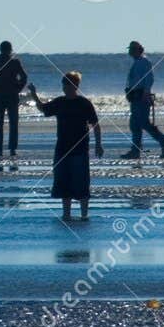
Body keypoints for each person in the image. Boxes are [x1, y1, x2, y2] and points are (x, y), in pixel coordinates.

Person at [30, 71, 102, 220]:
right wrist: (33, 94)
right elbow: (43, 108)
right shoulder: (60, 102)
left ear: (75, 86)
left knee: (82, 182)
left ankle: (84, 214)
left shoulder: (84, 103)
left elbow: (95, 124)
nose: (65, 88)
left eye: (67, 85)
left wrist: (98, 144)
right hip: (62, 147)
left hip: (80, 148)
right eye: (64, 85)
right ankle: (66, 214)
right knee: (63, 182)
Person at [122, 40, 164, 159]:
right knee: (135, 124)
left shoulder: (144, 62)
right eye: (130, 49)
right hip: (135, 97)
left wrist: (145, 92)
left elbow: (149, 79)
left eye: (132, 49)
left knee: (143, 123)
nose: (130, 51)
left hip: (141, 97)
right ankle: (136, 150)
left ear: (138, 50)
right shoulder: (137, 62)